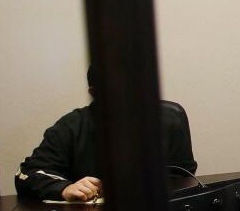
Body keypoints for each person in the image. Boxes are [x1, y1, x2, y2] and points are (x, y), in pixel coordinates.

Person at [15, 64, 198, 201]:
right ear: (94, 93)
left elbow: (184, 174)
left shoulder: (168, 121)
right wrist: (64, 188)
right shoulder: (72, 126)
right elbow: (28, 174)